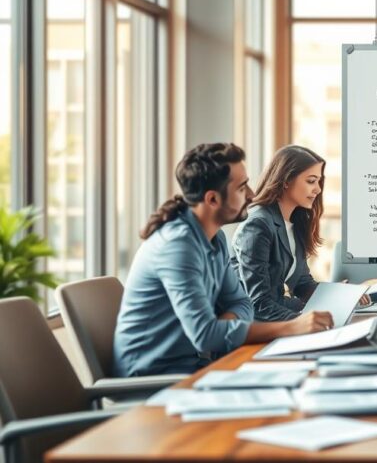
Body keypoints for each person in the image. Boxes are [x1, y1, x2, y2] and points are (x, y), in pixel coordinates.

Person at [113, 143, 334, 377]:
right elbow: (206, 335)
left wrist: (225, 325)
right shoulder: (177, 246)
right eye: (241, 188)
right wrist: (293, 327)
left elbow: (243, 304)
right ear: (212, 200)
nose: (251, 195)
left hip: (198, 365)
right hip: (155, 377)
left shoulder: (215, 237)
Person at [232, 145, 366, 320]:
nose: (318, 189)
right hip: (254, 327)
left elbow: (302, 284)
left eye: (319, 181)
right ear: (286, 180)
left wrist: (342, 296)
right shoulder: (258, 225)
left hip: (278, 317)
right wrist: (303, 321)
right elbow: (259, 304)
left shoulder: (295, 222)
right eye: (311, 181)